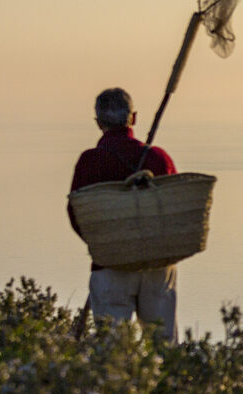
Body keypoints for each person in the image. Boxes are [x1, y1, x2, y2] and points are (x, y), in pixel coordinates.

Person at [68, 88, 179, 342]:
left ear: (98, 122)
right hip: (156, 264)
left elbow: (77, 212)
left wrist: (102, 242)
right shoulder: (157, 158)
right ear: (134, 118)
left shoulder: (90, 162)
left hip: (111, 264)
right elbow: (174, 206)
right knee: (164, 349)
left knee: (112, 352)